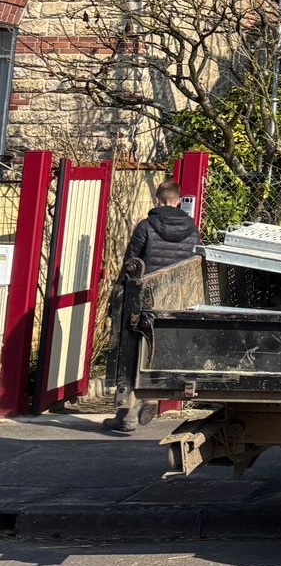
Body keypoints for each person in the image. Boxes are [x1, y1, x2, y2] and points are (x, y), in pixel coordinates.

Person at [103, 180, 200, 434]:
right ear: (178, 201)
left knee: (132, 353)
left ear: (158, 200)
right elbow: (193, 262)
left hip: (144, 299)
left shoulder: (145, 226)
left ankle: (127, 415)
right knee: (159, 352)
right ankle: (151, 398)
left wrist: (118, 294)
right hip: (175, 299)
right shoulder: (192, 228)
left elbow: (131, 263)